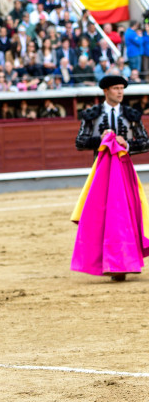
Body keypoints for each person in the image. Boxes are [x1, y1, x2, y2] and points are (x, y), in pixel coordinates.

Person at [72, 75, 149, 281]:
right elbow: (80, 142)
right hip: (101, 173)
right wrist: (102, 139)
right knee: (101, 218)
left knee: (125, 215)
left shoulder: (132, 114)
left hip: (124, 171)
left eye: (122, 88)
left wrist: (126, 144)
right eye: (116, 88)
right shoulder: (92, 115)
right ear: (106, 91)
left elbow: (145, 142)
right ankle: (107, 261)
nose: (120, 92)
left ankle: (122, 261)